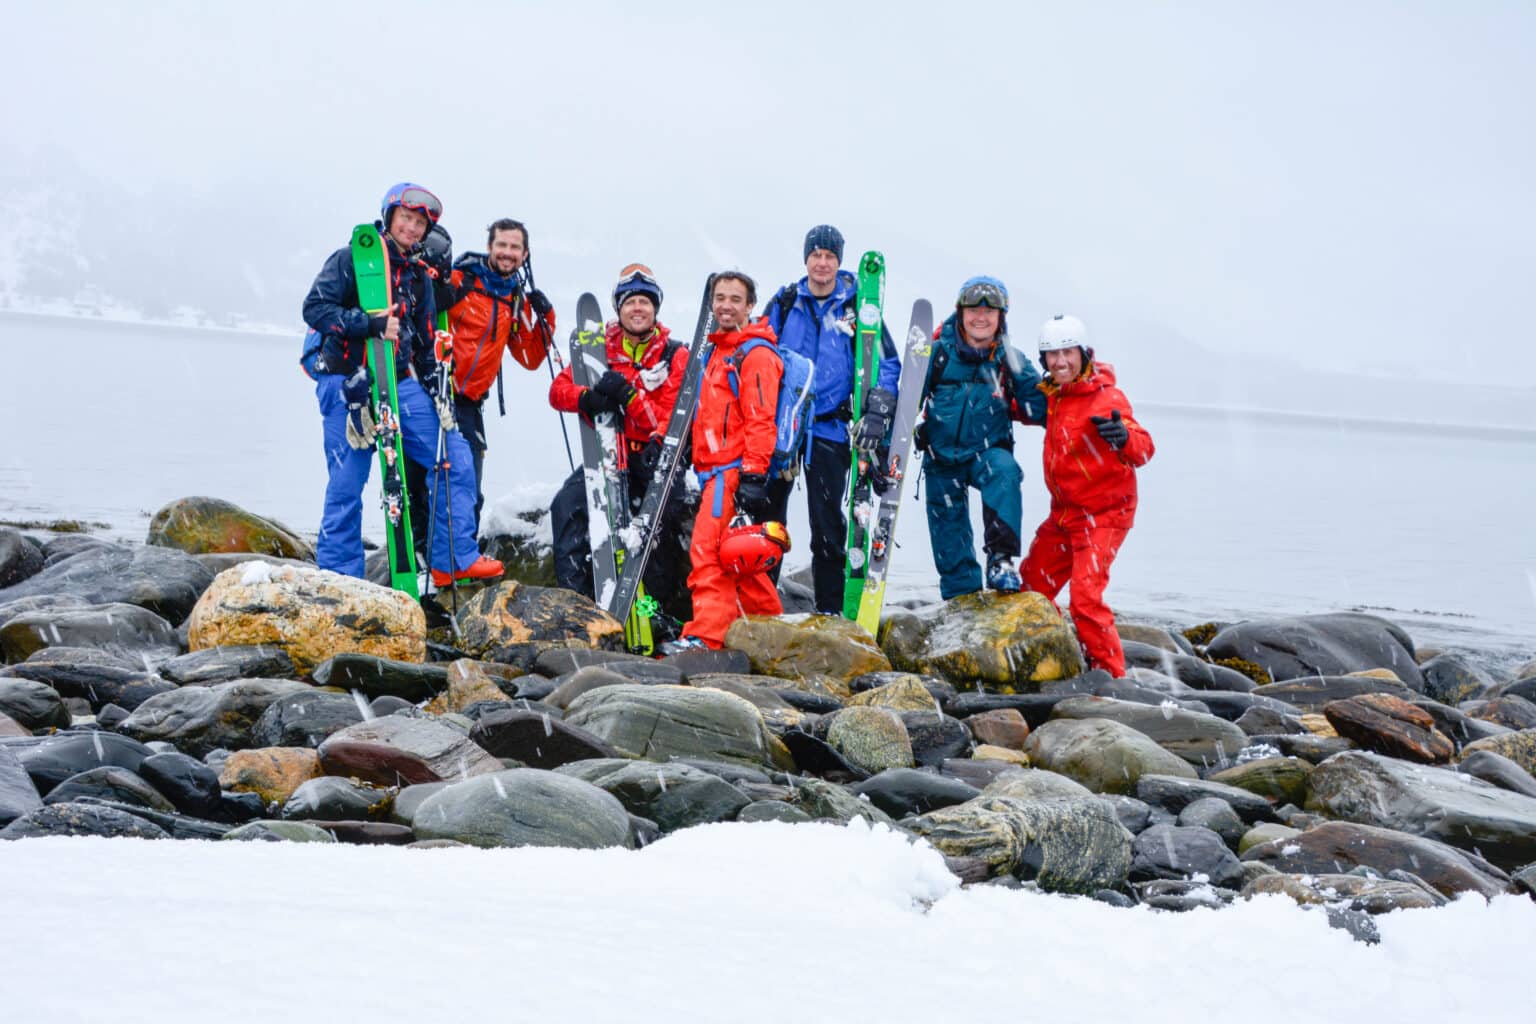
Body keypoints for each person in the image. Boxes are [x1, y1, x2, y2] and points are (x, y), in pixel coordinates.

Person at [301, 182, 503, 586]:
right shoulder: (348, 260)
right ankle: (340, 577)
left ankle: (452, 557)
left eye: (419, 224)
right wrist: (369, 324)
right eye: (406, 218)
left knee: (453, 457)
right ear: (390, 216)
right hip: (347, 380)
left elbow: (426, 340)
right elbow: (316, 309)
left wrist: (437, 387)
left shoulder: (418, 278)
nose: (412, 228)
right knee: (348, 481)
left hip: (397, 380)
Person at [546, 265, 695, 629]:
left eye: (645, 301)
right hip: (608, 458)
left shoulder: (674, 355)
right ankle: (579, 607)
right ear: (619, 309)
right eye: (630, 302)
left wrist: (629, 398)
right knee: (566, 506)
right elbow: (558, 392)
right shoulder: (599, 349)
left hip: (653, 458)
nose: (638, 309)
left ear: (655, 308)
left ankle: (652, 614)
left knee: (660, 531)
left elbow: (669, 416)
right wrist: (587, 398)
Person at [761, 225, 900, 614]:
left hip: (831, 429)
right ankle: (762, 608)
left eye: (830, 256)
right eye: (816, 255)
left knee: (826, 525)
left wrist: (878, 410)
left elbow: (887, 364)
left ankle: (829, 611)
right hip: (783, 430)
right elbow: (755, 349)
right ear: (806, 259)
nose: (822, 263)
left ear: (839, 262)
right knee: (769, 520)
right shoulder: (786, 302)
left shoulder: (859, 308)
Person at [1022, 314, 1154, 678]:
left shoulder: (1107, 398)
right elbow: (1015, 406)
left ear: (1083, 354)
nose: (1060, 361)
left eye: (1068, 352)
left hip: (1105, 515)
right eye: (1052, 354)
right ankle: (1061, 659)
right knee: (1032, 588)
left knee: (1085, 600)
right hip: (1063, 515)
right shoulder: (1052, 396)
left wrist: (1123, 438)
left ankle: (1112, 680)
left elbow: (1144, 450)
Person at [665, 271, 784, 652]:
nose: (726, 306)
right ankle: (771, 632)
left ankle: (708, 636)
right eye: (720, 298)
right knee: (741, 559)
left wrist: (753, 475)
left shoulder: (756, 354)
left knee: (708, 553)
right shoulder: (718, 351)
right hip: (712, 470)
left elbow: (761, 419)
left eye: (735, 299)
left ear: (751, 305)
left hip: (730, 472)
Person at [415, 218, 555, 536]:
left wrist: (546, 317)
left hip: (470, 405)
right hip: (434, 393)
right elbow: (422, 311)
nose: (507, 252)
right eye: (501, 245)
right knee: (426, 482)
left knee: (469, 490)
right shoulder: (462, 281)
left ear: (525, 254)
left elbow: (530, 357)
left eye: (514, 247)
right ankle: (423, 555)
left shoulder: (514, 298)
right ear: (490, 246)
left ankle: (461, 560)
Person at [913, 276, 1046, 599]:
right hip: (941, 457)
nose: (981, 317)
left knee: (1005, 472)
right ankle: (962, 599)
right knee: (949, 535)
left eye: (990, 311)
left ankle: (1001, 561)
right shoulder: (937, 353)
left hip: (988, 454)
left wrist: (1040, 378)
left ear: (1001, 317)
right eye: (973, 309)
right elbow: (908, 398)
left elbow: (1041, 408)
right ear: (960, 312)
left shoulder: (1009, 358)